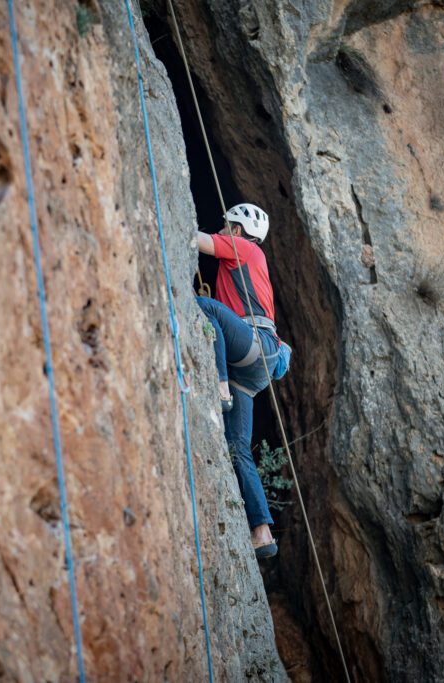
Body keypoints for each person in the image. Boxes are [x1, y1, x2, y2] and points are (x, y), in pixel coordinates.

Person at [195, 203, 291, 560]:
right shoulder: (247, 260)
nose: (223, 231)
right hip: (254, 371)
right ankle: (262, 531)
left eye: (226, 226)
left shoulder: (246, 248)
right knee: (238, 449)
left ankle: (219, 386)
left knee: (205, 306)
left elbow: (198, 240)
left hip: (253, 345)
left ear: (237, 231)